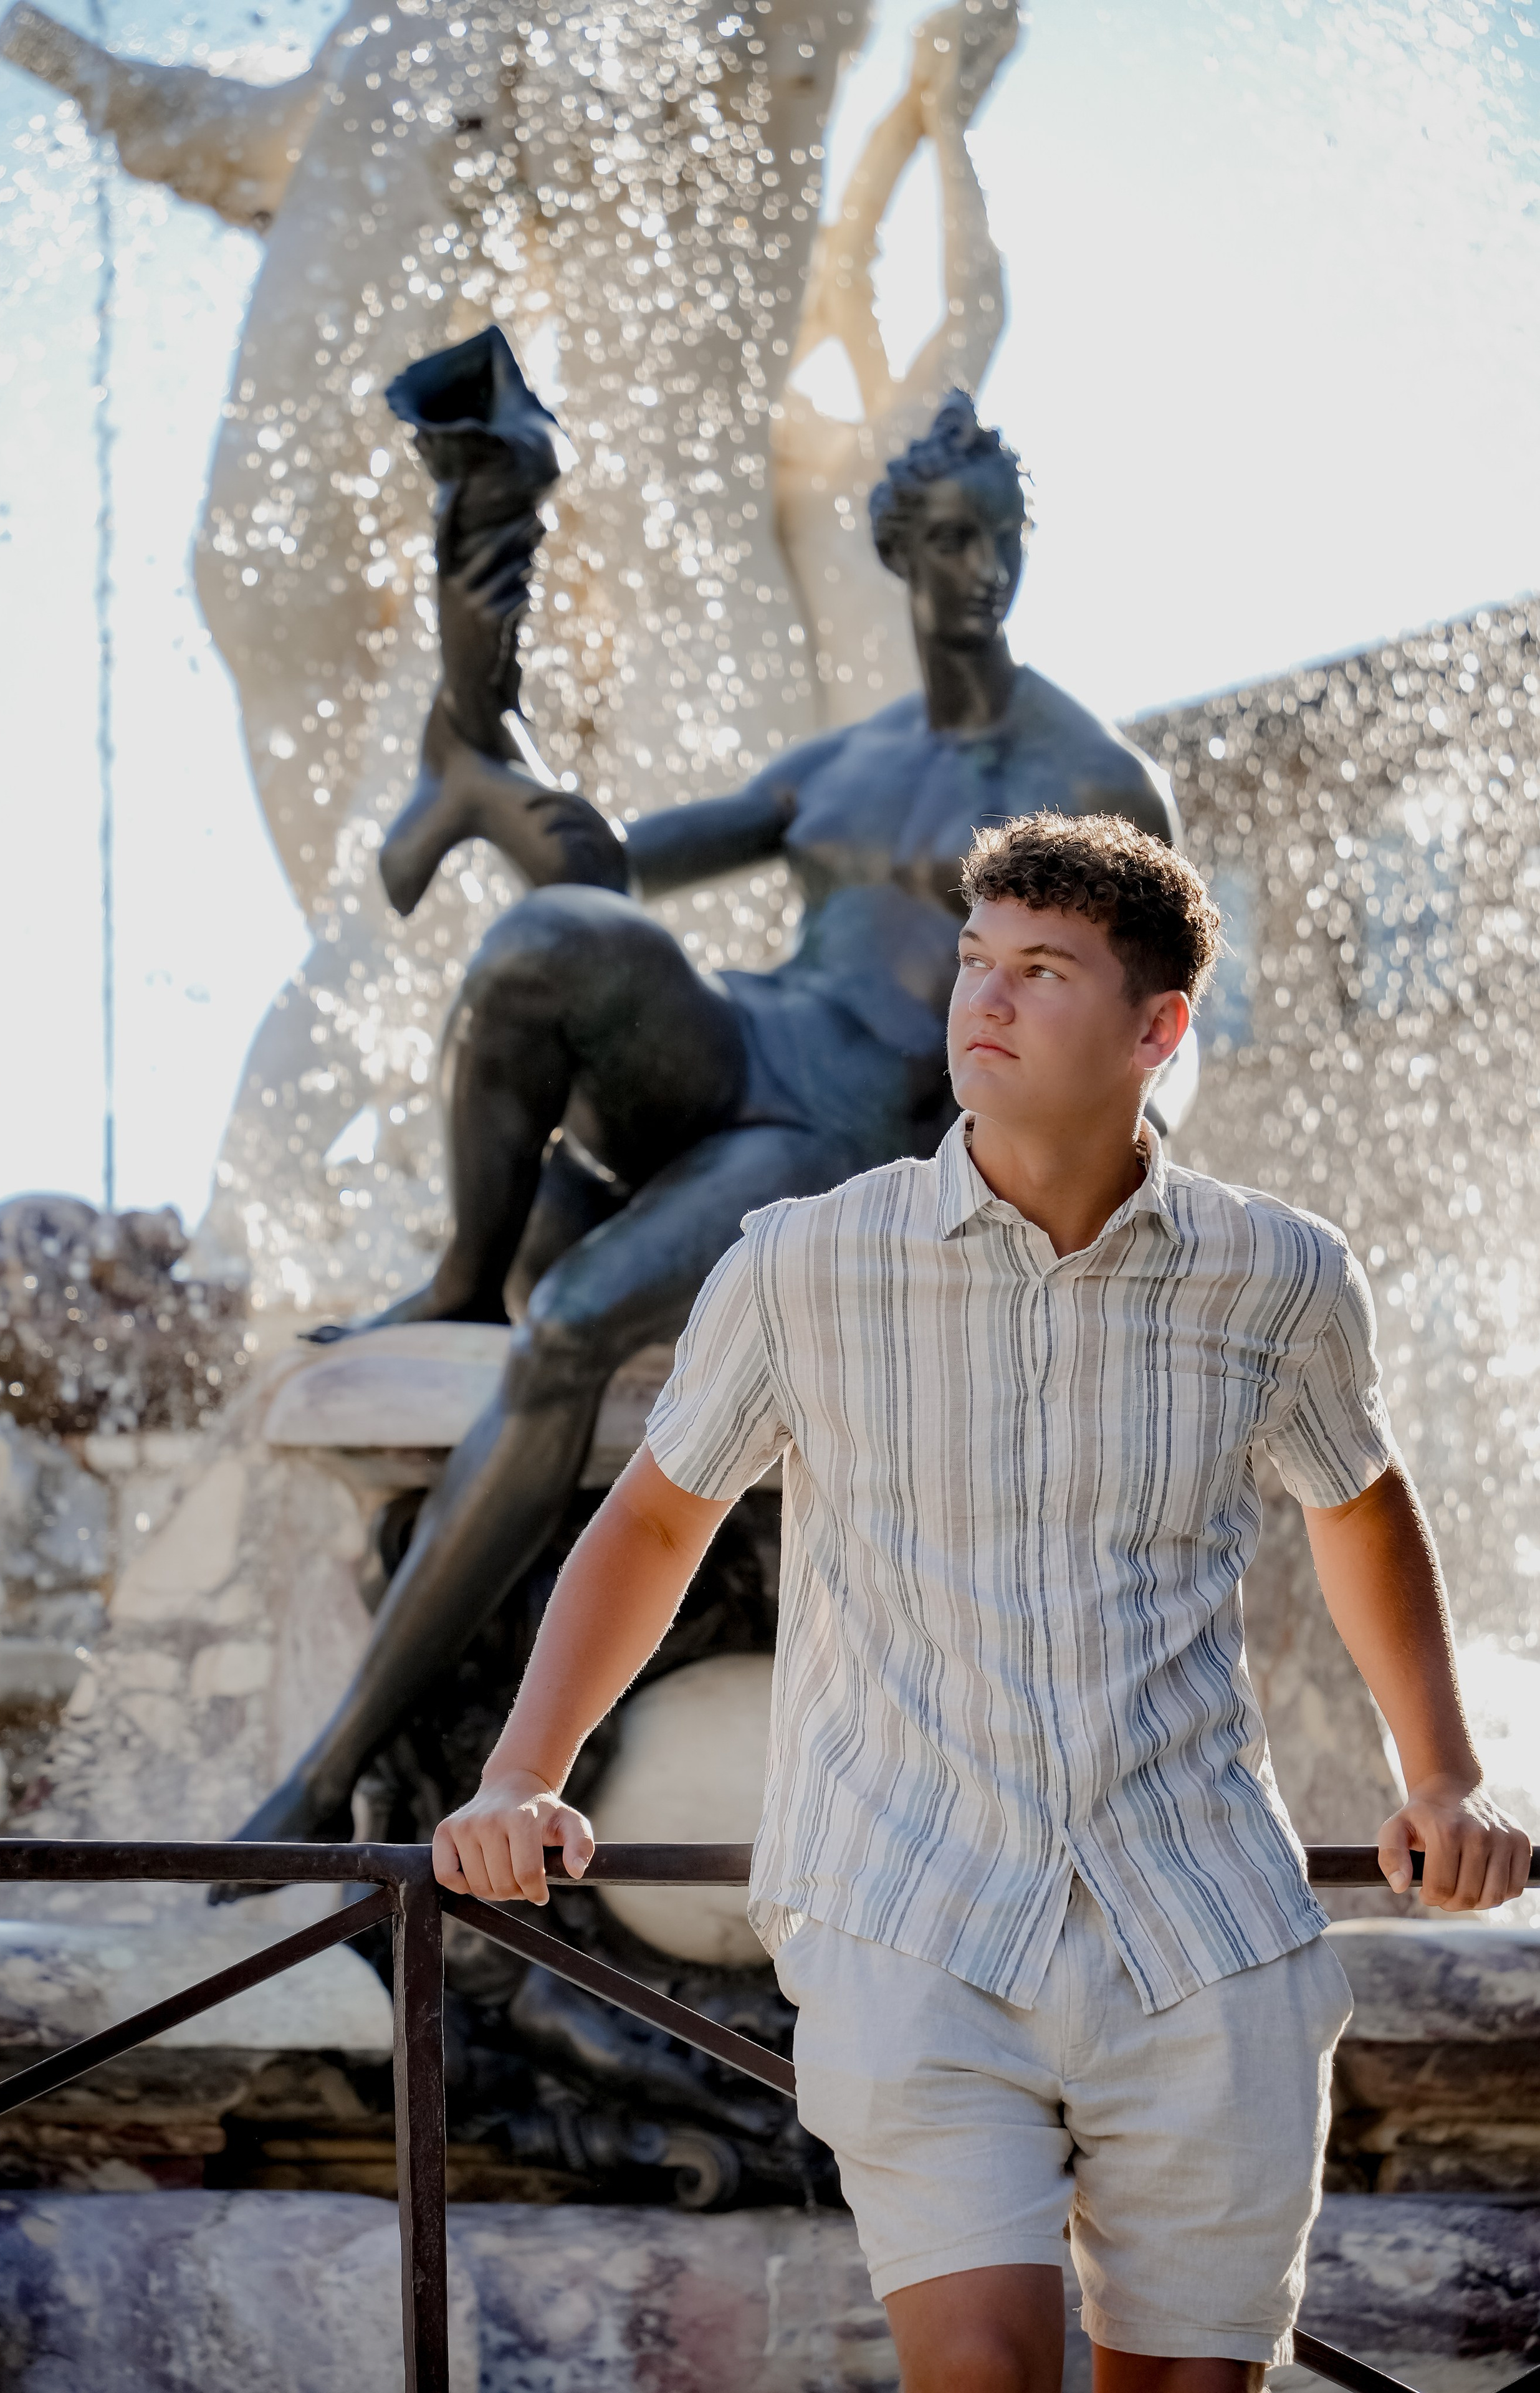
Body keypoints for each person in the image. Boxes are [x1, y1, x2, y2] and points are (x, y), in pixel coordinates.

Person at [430, 810, 1531, 2392]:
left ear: (1155, 1029)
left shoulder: (1279, 1275)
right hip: (908, 1912)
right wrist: (519, 1775)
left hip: (1201, 1927)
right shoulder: (803, 1263)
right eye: (971, 962)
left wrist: (1439, 1772)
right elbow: (656, 1521)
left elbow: (1355, 1506)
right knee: (985, 2369)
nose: (982, 1002)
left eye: (1038, 970)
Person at [232, 393, 1187, 1851]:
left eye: (998, 539)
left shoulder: (1093, 780)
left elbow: (1151, 1024)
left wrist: (1086, 1204)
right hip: (746, 1041)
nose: (976, 570)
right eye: (945, 540)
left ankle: (323, 1776)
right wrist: (485, 709)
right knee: (552, 935)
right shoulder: (841, 763)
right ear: (893, 552)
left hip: (840, 1127)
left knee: (569, 1330)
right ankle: (453, 1272)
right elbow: (609, 864)